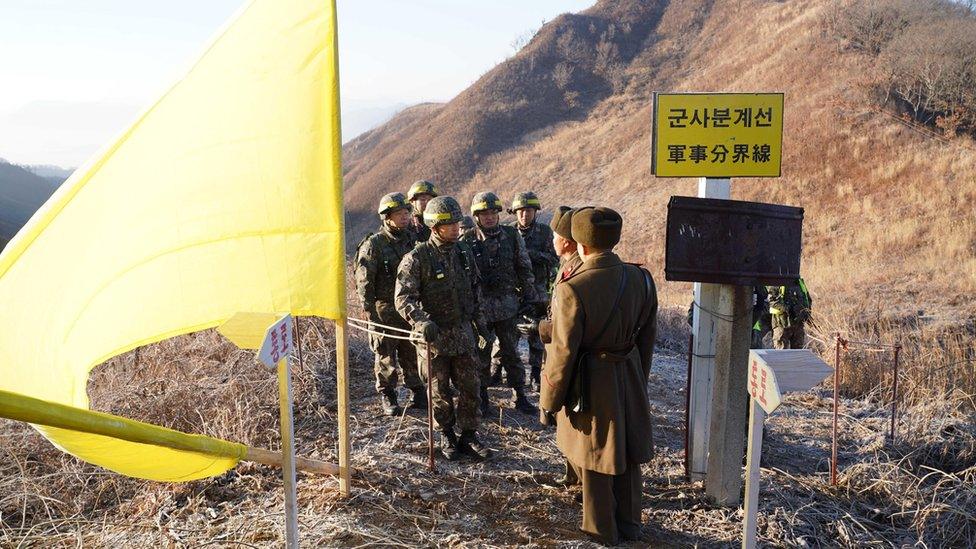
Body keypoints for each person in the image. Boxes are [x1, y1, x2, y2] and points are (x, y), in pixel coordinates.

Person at [539, 207, 658, 545]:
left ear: (582, 245)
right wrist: (638, 379)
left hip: (592, 381)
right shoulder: (642, 279)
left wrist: (549, 400)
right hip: (629, 372)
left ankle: (601, 530)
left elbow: (563, 353)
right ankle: (630, 525)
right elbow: (647, 338)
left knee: (593, 456)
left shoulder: (573, 289)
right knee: (629, 451)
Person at [395, 196, 491, 460]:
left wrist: (482, 326)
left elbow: (475, 292)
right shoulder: (416, 258)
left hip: (462, 334)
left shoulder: (464, 252)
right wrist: (421, 321)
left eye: (458, 223)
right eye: (450, 225)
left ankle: (469, 435)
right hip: (433, 339)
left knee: (471, 386)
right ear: (435, 227)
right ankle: (446, 435)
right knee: (439, 391)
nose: (457, 228)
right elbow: (403, 298)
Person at [461, 191, 538, 415]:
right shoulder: (466, 240)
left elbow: (524, 268)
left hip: (508, 307)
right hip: (481, 311)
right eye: (484, 213)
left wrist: (528, 298)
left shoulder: (512, 236)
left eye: (493, 212)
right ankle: (483, 398)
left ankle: (520, 396)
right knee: (481, 355)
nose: (489, 217)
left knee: (511, 354)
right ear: (476, 216)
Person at [354, 193, 424, 416]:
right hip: (383, 311)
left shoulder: (411, 240)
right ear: (387, 217)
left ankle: (417, 391)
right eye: (399, 214)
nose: (404, 217)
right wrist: (369, 311)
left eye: (406, 213)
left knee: (411, 352)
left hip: (408, 309)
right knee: (385, 355)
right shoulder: (374, 244)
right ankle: (389, 395)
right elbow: (364, 281)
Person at [508, 191, 558, 391]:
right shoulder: (508, 232)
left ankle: (537, 374)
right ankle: (502, 370)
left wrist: (531, 255)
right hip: (513, 290)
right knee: (509, 333)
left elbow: (554, 259)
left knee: (536, 334)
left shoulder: (545, 232)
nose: (524, 215)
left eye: (528, 211)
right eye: (520, 211)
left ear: (535, 212)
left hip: (537, 290)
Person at [766, 278, 812, 349]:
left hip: (798, 325)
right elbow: (772, 301)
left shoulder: (799, 281)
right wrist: (788, 309)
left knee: (798, 355)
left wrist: (805, 313)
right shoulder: (777, 280)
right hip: (781, 325)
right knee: (781, 354)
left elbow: (807, 299)